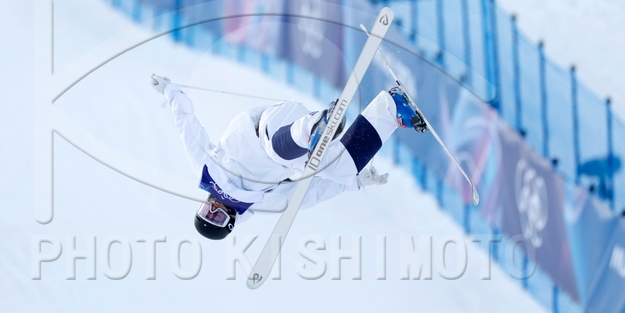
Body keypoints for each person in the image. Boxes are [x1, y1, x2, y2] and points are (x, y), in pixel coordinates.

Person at [150, 74, 428, 239]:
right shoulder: (261, 203)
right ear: (230, 223)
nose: (213, 208)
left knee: (275, 150)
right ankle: (392, 107)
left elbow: (187, 125)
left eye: (206, 211)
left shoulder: (204, 171)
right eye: (216, 217)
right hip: (293, 156)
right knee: (340, 168)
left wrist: (171, 91)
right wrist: (354, 181)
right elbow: (309, 194)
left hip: (266, 128)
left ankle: (314, 128)